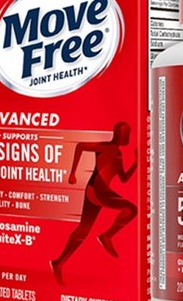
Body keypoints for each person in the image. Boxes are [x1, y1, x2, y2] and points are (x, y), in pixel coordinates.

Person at [50, 121, 138, 285]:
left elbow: (124, 179)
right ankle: (106, 236)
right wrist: (73, 173)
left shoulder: (118, 154)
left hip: (101, 192)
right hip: (96, 191)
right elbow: (80, 146)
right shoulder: (104, 147)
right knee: (131, 209)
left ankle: (58, 262)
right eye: (126, 133)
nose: (128, 137)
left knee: (83, 229)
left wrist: (136, 162)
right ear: (118, 134)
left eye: (129, 133)